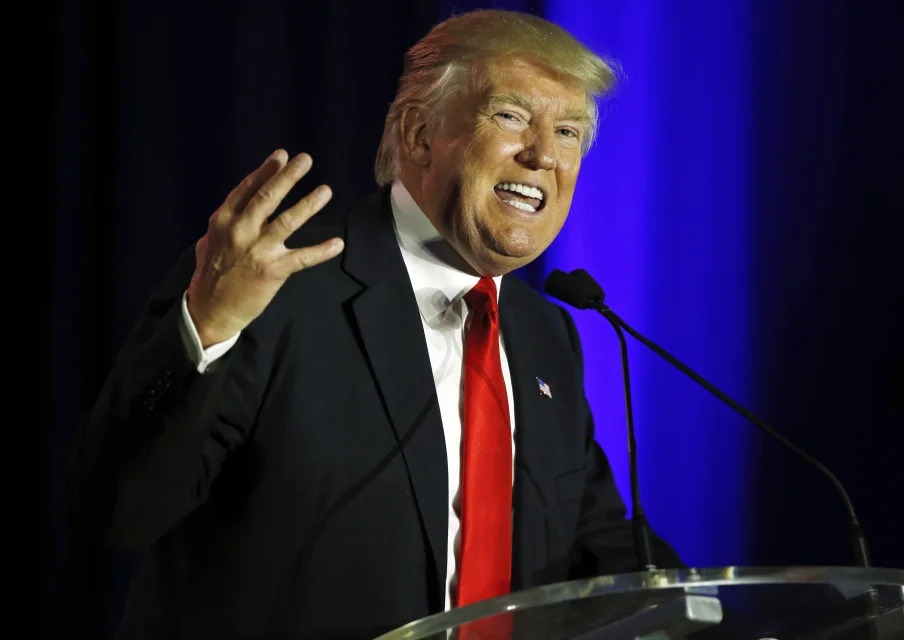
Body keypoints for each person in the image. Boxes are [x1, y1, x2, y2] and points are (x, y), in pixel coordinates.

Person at [74, 9, 683, 640]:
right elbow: (121, 509)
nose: (542, 156)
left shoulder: (545, 336)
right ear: (419, 133)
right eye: (510, 116)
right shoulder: (273, 283)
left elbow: (602, 551)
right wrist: (206, 324)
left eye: (568, 132)